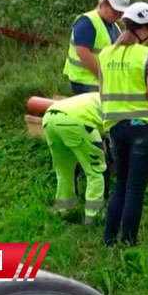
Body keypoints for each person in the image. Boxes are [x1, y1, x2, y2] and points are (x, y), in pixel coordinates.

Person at [99, 1, 148, 244]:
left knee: (120, 184)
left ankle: (109, 238)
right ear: (144, 29)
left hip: (115, 128)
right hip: (144, 128)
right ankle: (129, 243)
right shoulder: (146, 55)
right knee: (135, 188)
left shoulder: (105, 55)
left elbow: (102, 92)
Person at [42, 92, 107, 226]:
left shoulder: (96, 96)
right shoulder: (120, 106)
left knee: (64, 171)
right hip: (77, 122)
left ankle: (65, 210)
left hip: (50, 118)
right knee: (95, 170)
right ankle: (93, 216)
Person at [64, 0, 130, 94]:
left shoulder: (113, 26)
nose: (118, 16)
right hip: (84, 82)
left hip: (97, 81)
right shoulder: (87, 22)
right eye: (116, 12)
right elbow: (82, 52)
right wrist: (103, 78)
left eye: (121, 13)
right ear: (104, 4)